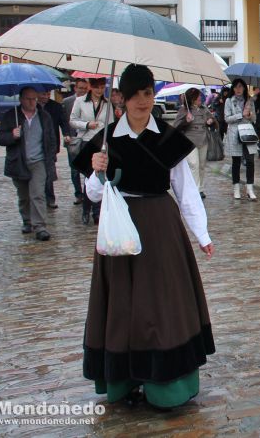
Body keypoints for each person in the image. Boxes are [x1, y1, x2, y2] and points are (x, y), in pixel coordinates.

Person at [73, 64, 216, 410]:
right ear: (121, 97)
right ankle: (125, 381)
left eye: (148, 93)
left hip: (160, 228)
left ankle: (165, 388)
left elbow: (185, 190)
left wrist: (202, 233)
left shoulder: (168, 138)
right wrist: (98, 168)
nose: (142, 101)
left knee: (162, 306)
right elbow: (92, 194)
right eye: (135, 94)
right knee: (122, 307)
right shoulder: (107, 139)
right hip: (118, 229)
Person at [0, 87, 57, 241]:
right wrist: (12, 135)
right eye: (28, 99)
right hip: (19, 162)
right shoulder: (12, 116)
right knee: (24, 196)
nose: (32, 102)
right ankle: (27, 220)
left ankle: (40, 226)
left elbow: (50, 139)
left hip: (39, 161)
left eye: (34, 99)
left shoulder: (44, 116)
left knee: (38, 194)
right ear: (21, 99)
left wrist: (51, 159)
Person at [70, 77, 108, 225]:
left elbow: (110, 125)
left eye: (102, 87)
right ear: (91, 87)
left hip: (101, 144)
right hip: (86, 142)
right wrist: (86, 124)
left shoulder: (107, 103)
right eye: (97, 87)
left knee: (100, 178)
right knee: (88, 178)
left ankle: (97, 213)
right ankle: (86, 210)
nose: (100, 90)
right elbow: (72, 120)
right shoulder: (80, 101)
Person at [174, 88, 217, 199]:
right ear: (191, 98)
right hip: (190, 141)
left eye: (200, 96)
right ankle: (195, 189)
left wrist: (210, 122)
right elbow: (176, 127)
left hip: (203, 140)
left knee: (202, 166)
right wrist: (186, 122)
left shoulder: (204, 109)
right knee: (193, 164)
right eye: (197, 97)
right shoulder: (184, 110)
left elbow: (213, 121)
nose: (200, 98)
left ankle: (201, 188)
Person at [224, 78, 258, 200]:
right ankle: (236, 188)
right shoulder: (229, 101)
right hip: (234, 134)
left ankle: (250, 188)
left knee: (250, 161)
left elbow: (254, 119)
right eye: (236, 87)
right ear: (233, 89)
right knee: (236, 162)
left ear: (244, 88)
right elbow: (227, 118)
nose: (238, 89)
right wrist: (240, 115)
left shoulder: (249, 101)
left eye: (240, 87)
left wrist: (249, 115)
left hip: (247, 133)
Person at [38, 90, 71, 209]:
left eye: (47, 94)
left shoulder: (55, 106)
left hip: (50, 145)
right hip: (36, 145)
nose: (45, 97)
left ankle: (50, 198)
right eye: (43, 94)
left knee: (48, 172)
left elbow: (63, 121)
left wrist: (66, 133)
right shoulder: (33, 107)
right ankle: (39, 197)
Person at [62, 78, 89, 205]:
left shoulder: (90, 102)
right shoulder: (67, 102)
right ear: (75, 88)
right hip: (72, 139)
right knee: (74, 169)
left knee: (87, 169)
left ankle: (88, 193)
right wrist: (66, 134)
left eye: (85, 88)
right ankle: (78, 194)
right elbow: (64, 121)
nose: (82, 90)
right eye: (80, 88)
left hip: (86, 138)